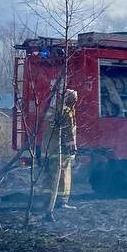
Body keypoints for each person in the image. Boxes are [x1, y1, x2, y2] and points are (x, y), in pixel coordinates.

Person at [46, 89, 78, 221]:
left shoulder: (53, 110)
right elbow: (68, 131)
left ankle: (48, 201)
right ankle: (62, 202)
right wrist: (71, 146)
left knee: (50, 175)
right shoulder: (66, 112)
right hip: (60, 149)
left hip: (48, 148)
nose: (75, 101)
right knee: (63, 175)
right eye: (74, 98)